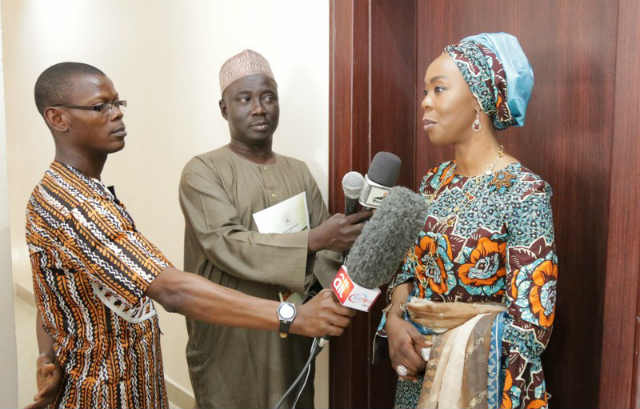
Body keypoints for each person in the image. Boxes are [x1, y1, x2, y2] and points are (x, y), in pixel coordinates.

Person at [24, 62, 356, 409]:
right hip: (104, 393)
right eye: (99, 107)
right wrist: (293, 315)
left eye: (118, 104)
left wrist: (46, 358)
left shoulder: (70, 193)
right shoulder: (80, 206)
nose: (116, 115)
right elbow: (173, 289)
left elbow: (49, 292)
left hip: (137, 387)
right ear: (57, 118)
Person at [178, 49, 370, 409]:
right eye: (245, 98)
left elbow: (326, 254)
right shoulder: (202, 171)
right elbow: (225, 243)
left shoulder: (298, 171)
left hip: (293, 333)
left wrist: (337, 291)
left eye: (268, 98)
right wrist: (315, 239)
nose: (259, 108)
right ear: (224, 109)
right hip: (229, 338)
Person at [381, 33, 557, 409]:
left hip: (489, 385)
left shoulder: (525, 192)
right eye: (425, 91)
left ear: (479, 99)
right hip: (418, 381)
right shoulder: (433, 182)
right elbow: (406, 268)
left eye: (439, 89)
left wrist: (447, 345)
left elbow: (531, 325)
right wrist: (395, 321)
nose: (425, 102)